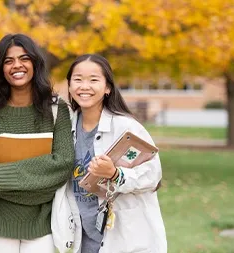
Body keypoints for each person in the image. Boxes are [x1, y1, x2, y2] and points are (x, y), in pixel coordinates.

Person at [0, 33, 75, 253]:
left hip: (43, 221)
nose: (16, 65)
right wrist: (37, 179)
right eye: (8, 61)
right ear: (0, 68)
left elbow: (63, 164)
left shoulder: (57, 110)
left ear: (35, 63)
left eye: (24, 58)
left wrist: (3, 173)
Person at [65, 54, 166, 253]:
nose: (84, 86)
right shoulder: (66, 127)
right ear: (69, 86)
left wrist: (115, 174)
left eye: (93, 80)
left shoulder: (126, 127)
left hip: (125, 238)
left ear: (108, 88)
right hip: (84, 238)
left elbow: (153, 175)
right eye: (78, 79)